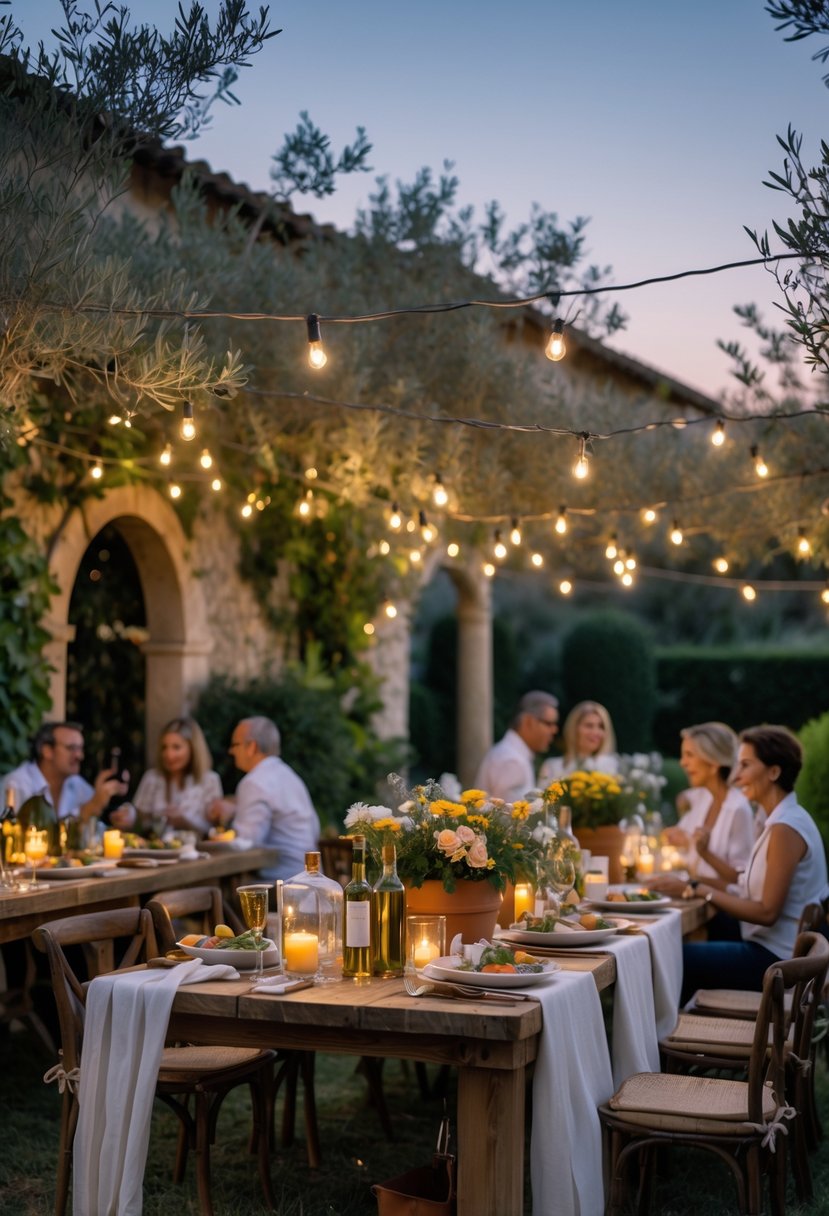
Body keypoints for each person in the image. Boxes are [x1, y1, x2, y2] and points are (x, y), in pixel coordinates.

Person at [679, 724, 829, 1003]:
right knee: (710, 930)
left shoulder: (786, 827)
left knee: (676, 958)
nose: (736, 776)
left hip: (777, 964)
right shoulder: (773, 818)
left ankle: (666, 1038)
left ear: (774, 772)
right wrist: (695, 872)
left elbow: (766, 912)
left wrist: (700, 889)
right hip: (773, 949)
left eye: (745, 765)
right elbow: (743, 879)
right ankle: (680, 1028)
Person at [208, 715, 320, 881]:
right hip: (311, 878)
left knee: (219, 890)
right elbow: (314, 828)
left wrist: (212, 840)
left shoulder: (254, 782)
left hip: (281, 882)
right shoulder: (290, 776)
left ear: (252, 747)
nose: (231, 751)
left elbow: (246, 842)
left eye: (235, 744)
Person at [653, 722, 755, 886]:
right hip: (696, 895)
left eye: (689, 755)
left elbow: (741, 880)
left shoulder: (738, 809)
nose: (683, 763)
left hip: (721, 908)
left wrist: (705, 853)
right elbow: (687, 834)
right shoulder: (702, 798)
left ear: (713, 762)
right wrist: (682, 839)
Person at [110, 717, 222, 837]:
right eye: (164, 747)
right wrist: (128, 815)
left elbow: (215, 830)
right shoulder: (152, 778)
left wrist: (185, 822)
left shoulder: (210, 780)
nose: (169, 754)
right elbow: (139, 821)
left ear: (193, 749)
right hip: (156, 851)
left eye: (176, 747)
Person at [1, 720, 127, 824]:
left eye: (80, 749)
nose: (80, 756)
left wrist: (123, 812)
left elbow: (100, 822)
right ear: (47, 751)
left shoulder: (76, 784)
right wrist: (90, 809)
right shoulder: (16, 785)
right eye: (71, 748)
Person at [473, 691, 559, 801]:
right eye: (549, 724)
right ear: (528, 721)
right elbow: (508, 816)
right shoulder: (512, 760)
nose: (554, 730)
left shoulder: (513, 754)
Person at [538, 700, 618, 783]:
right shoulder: (552, 766)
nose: (596, 732)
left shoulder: (613, 766)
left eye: (601, 727)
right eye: (589, 726)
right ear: (574, 729)